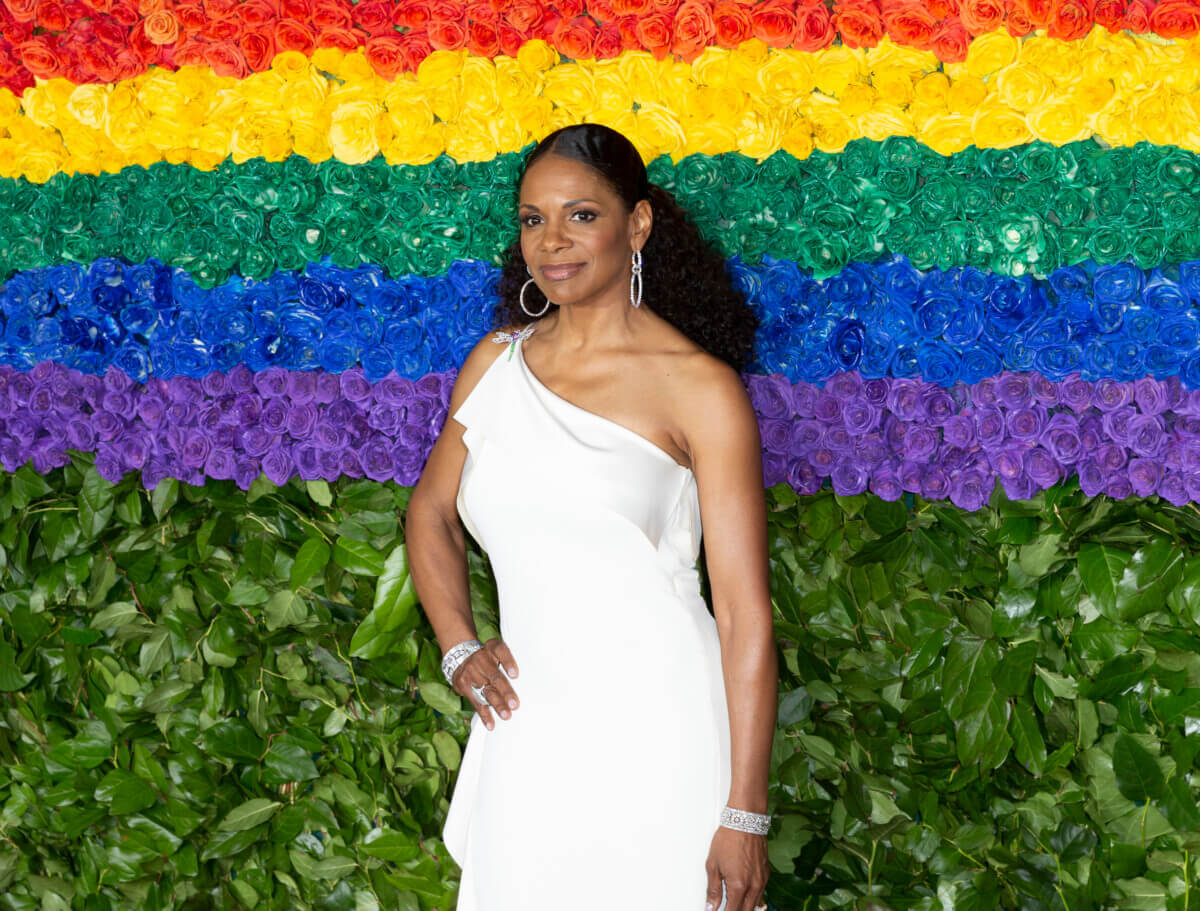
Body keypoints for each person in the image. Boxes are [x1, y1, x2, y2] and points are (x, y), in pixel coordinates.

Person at [405, 123, 778, 911]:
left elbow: (745, 613)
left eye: (581, 215)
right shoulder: (496, 364)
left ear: (637, 224)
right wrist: (457, 644)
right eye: (533, 218)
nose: (552, 241)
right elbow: (430, 512)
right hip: (530, 729)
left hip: (661, 732)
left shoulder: (699, 389)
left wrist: (744, 811)